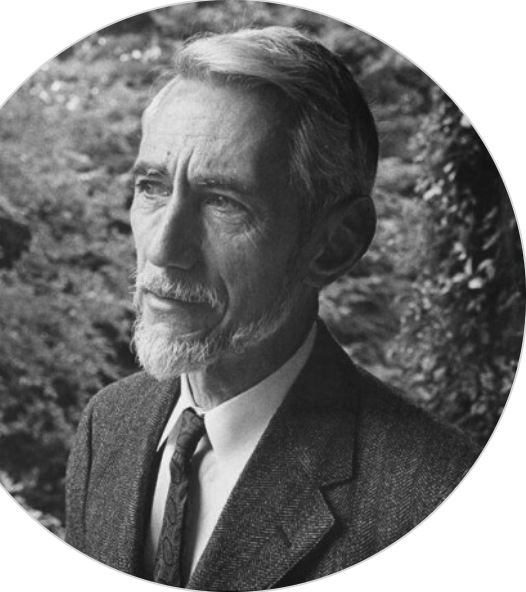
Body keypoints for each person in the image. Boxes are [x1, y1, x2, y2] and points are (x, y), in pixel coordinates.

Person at [65, 26, 479, 590]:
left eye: (222, 201)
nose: (163, 249)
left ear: (335, 244)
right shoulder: (107, 424)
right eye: (153, 188)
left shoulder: (439, 497)